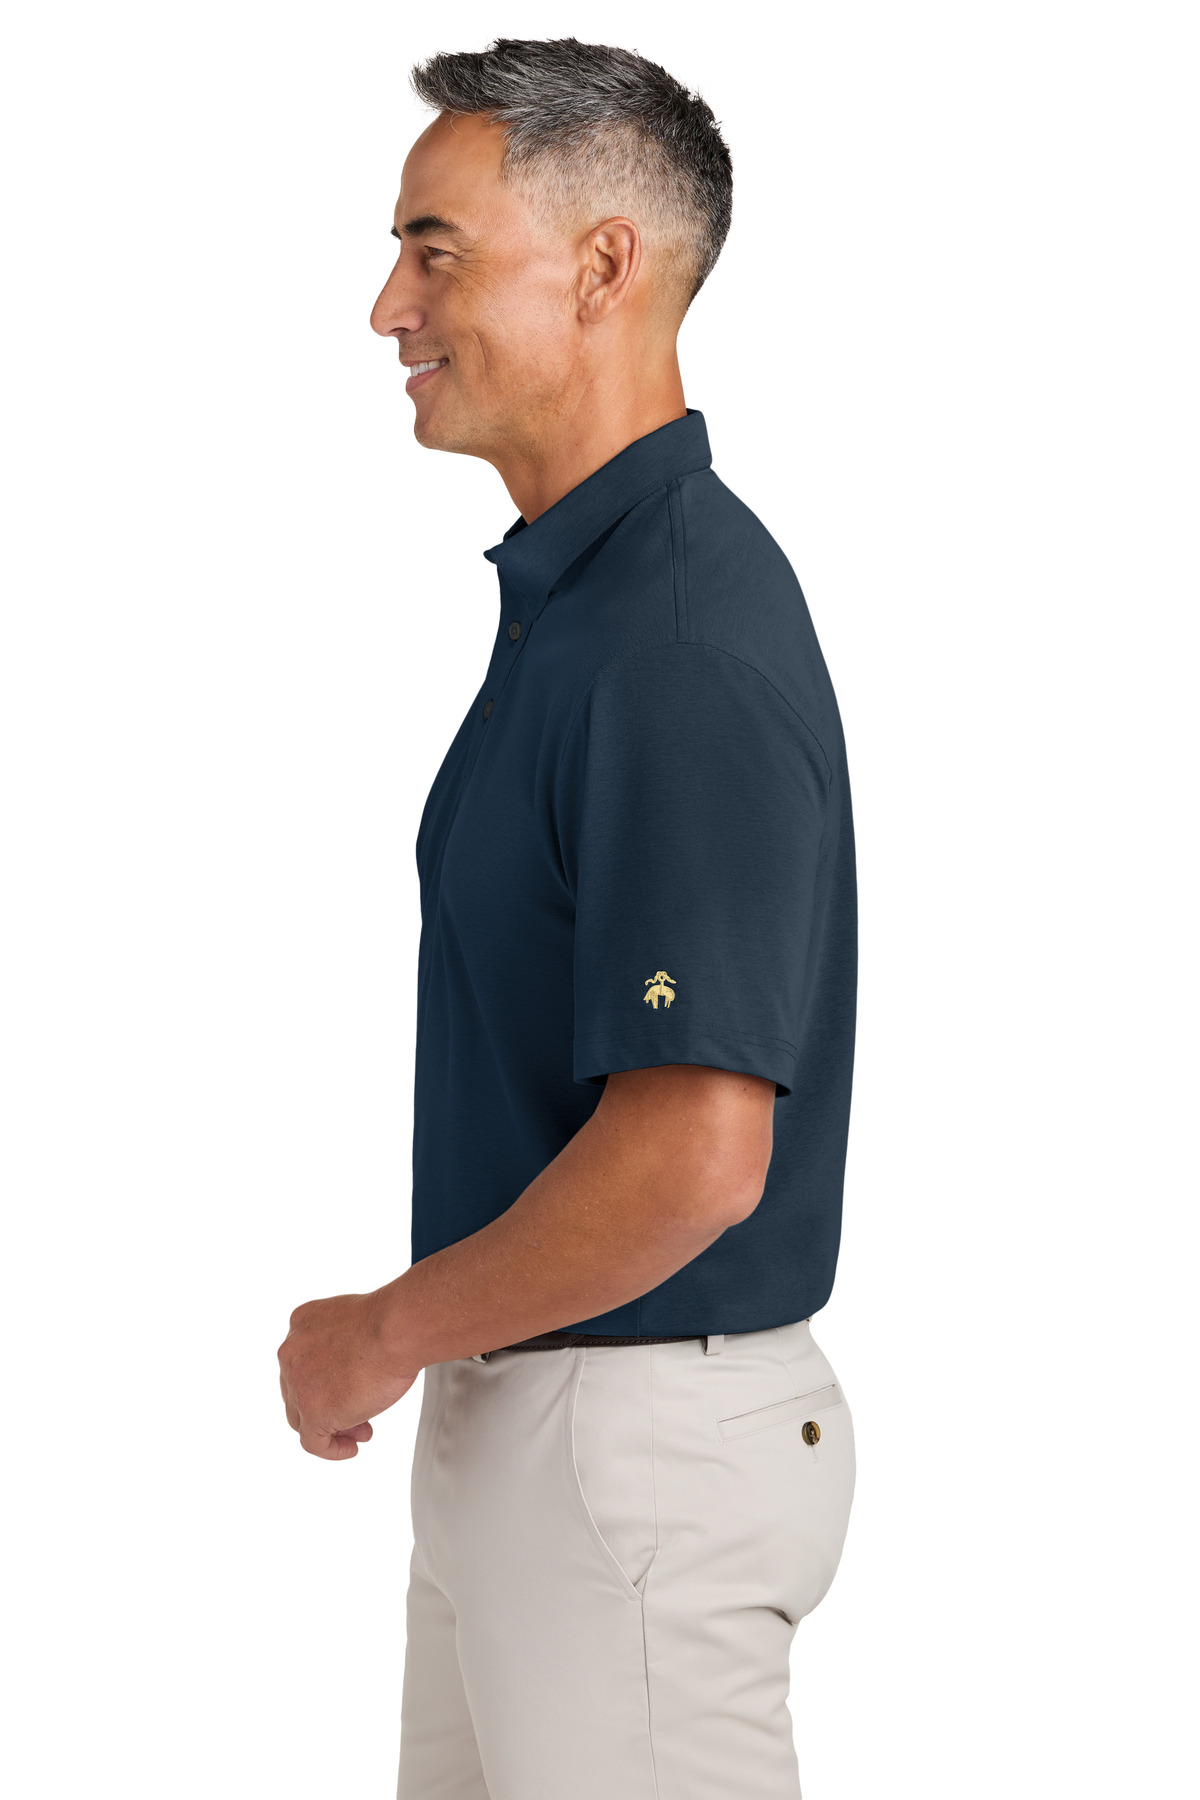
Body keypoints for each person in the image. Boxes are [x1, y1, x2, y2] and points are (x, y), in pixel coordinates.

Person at [277, 36, 858, 1800]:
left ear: (606, 265)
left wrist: (384, 1329)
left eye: (434, 251)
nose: (389, 307)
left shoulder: (671, 643)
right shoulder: (587, 610)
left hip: (633, 1449)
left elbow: (694, 1158)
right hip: (553, 1434)